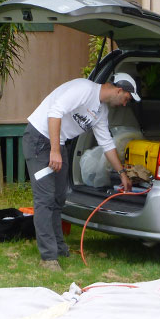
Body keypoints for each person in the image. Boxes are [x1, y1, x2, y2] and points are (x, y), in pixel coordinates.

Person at [23, 74, 136, 271]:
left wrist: (123, 174)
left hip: (57, 143)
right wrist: (55, 151)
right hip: (39, 140)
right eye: (127, 98)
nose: (125, 104)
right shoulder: (84, 89)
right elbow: (55, 112)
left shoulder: (101, 111)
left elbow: (106, 143)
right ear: (119, 90)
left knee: (59, 198)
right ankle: (48, 258)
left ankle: (58, 247)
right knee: (45, 198)